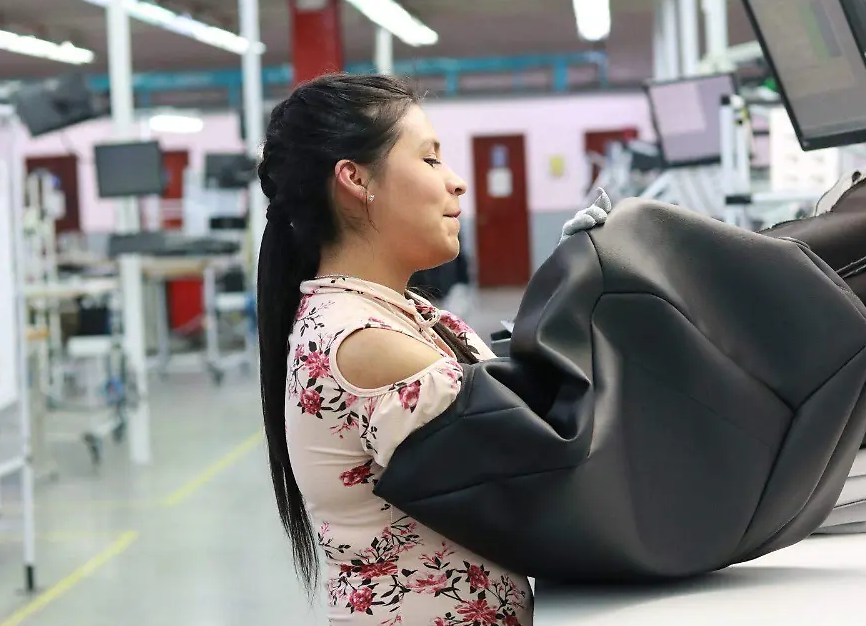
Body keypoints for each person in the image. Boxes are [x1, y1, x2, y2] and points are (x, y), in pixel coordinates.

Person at [256, 73, 607, 626]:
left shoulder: (402, 310)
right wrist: (591, 296)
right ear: (354, 179)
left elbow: (506, 387)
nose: (457, 183)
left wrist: (571, 287)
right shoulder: (362, 343)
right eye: (430, 160)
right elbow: (550, 460)